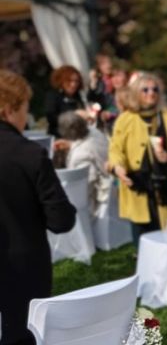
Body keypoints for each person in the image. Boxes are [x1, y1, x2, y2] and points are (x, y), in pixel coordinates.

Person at [0, 70, 76, 345]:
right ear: (9, 110)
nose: (26, 118)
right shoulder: (29, 154)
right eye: (25, 110)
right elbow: (61, 221)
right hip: (24, 270)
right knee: (22, 336)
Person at [108, 72, 167, 246]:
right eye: (145, 90)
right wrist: (118, 167)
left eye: (155, 89)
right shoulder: (125, 119)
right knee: (143, 239)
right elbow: (115, 149)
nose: (151, 93)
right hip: (138, 186)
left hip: (166, 187)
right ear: (136, 93)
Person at [57, 111, 111, 217]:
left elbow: (83, 192)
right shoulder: (94, 132)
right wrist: (70, 145)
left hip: (93, 207)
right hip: (106, 190)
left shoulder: (81, 156)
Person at [44, 65, 86, 137]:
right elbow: (51, 118)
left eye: (76, 81)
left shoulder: (77, 96)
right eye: (69, 81)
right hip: (60, 137)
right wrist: (73, 115)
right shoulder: (53, 96)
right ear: (61, 81)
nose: (73, 84)